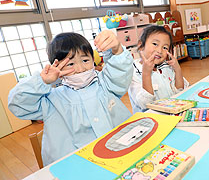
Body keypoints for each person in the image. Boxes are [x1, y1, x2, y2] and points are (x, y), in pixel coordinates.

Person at [8, 31, 133, 166]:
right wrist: (41, 81)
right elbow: (18, 104)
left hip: (122, 154)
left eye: (85, 60)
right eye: (70, 64)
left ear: (93, 60)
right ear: (57, 69)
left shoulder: (105, 83)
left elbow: (121, 71)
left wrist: (116, 49)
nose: (80, 69)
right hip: (80, 167)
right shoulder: (51, 100)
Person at [128, 25, 189, 113]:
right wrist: (146, 73)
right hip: (151, 120)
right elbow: (145, 104)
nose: (160, 51)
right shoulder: (133, 72)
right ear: (141, 46)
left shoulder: (166, 66)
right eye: (155, 44)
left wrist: (177, 70)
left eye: (165, 48)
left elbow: (180, 92)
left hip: (171, 115)